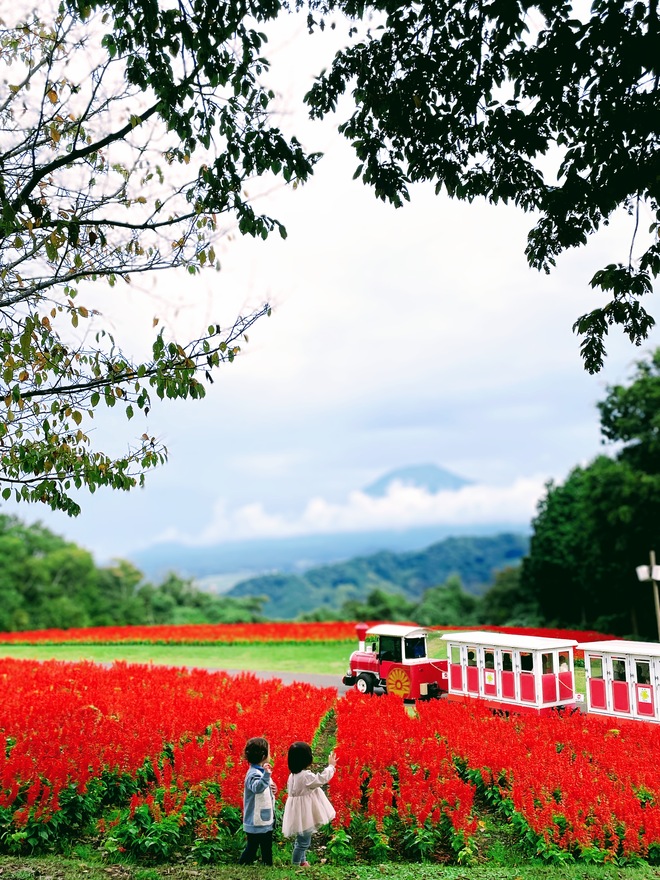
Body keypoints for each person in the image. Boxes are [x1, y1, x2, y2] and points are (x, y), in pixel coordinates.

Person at [282, 742, 337, 867]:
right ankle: (295, 864)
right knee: (303, 843)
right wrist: (331, 767)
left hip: (297, 812)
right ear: (307, 759)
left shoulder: (292, 776)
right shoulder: (306, 776)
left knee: (301, 839)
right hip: (305, 814)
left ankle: (302, 861)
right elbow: (321, 779)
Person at [239, 736, 277, 866]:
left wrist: (273, 789)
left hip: (264, 818)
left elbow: (265, 787)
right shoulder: (253, 773)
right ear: (263, 756)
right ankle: (244, 863)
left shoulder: (260, 771)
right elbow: (257, 788)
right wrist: (267, 775)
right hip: (256, 820)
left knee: (267, 846)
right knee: (252, 847)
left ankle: (268, 864)